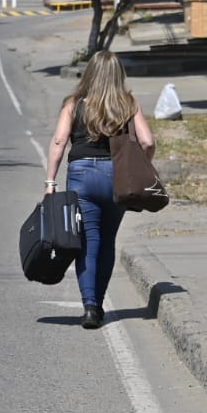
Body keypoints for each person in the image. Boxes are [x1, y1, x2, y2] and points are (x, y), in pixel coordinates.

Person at [45, 51, 155, 329]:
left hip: (81, 176)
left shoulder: (74, 104)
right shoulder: (128, 104)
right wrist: (139, 168)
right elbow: (148, 142)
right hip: (115, 175)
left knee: (87, 243)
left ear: (90, 73)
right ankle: (100, 301)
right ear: (119, 76)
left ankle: (90, 306)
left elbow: (59, 142)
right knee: (107, 241)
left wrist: (50, 182)